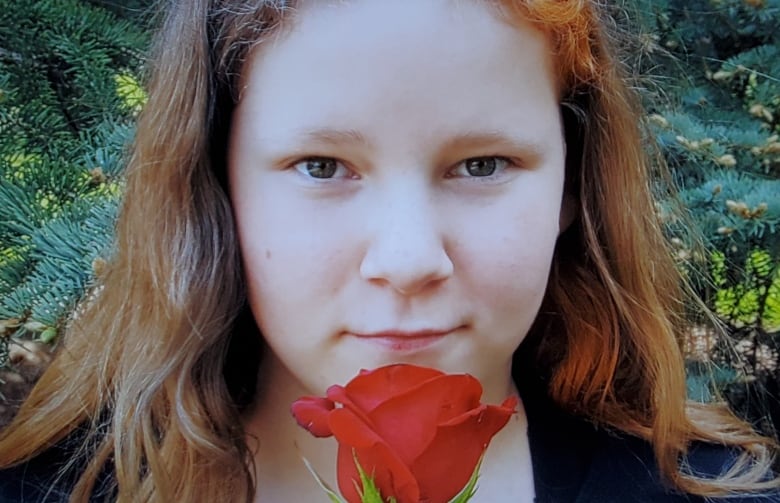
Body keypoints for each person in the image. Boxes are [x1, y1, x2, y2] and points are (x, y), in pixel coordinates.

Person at [0, 0, 778, 501]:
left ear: (572, 186)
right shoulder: (48, 489)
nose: (408, 261)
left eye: (481, 165)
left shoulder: (711, 493)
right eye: (322, 167)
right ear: (216, 182)